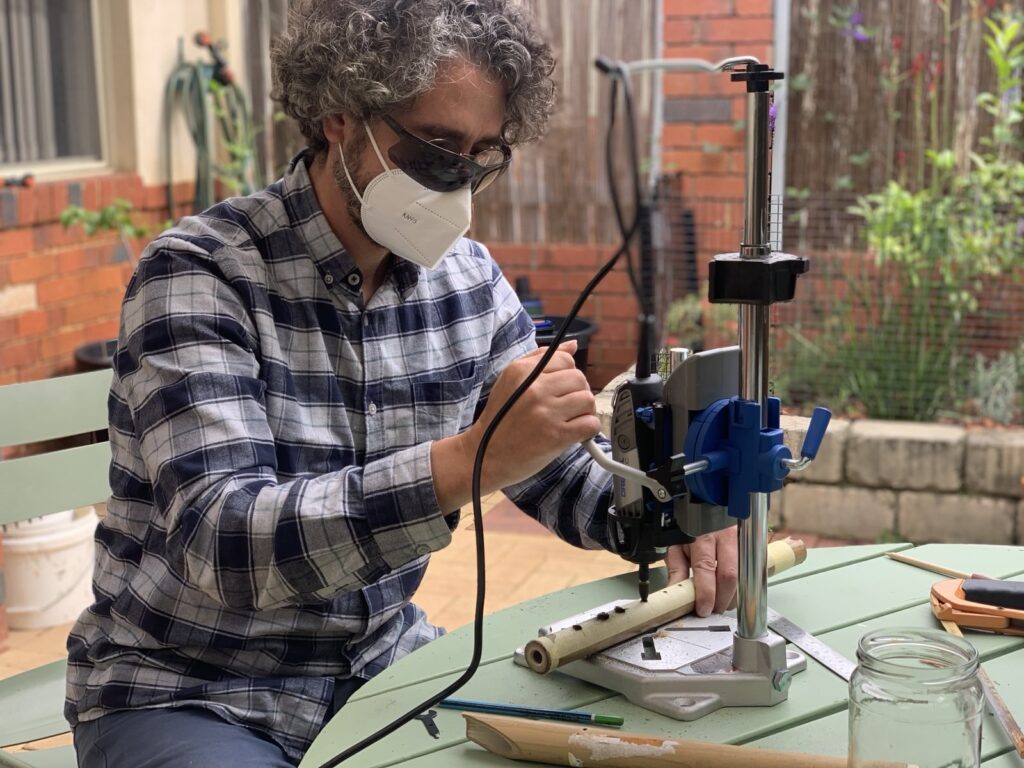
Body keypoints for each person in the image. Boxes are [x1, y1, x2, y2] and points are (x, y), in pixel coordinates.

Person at [66, 1, 738, 765]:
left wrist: (680, 510)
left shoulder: (468, 281)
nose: (457, 180)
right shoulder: (201, 274)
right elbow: (227, 548)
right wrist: (469, 462)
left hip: (387, 671)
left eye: (481, 155)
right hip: (194, 691)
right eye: (435, 147)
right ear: (340, 118)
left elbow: (559, 475)